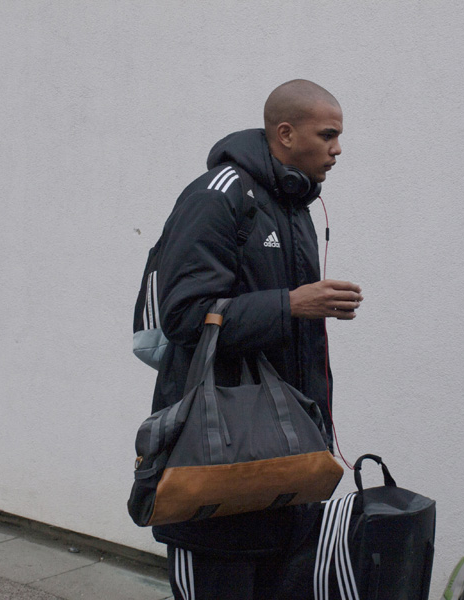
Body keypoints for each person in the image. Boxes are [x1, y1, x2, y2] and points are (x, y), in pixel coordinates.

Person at [151, 79, 363, 600]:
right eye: (328, 135)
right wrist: (291, 304)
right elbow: (183, 317)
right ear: (285, 134)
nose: (338, 149)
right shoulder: (217, 196)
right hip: (215, 470)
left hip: (284, 473)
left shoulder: (294, 205)